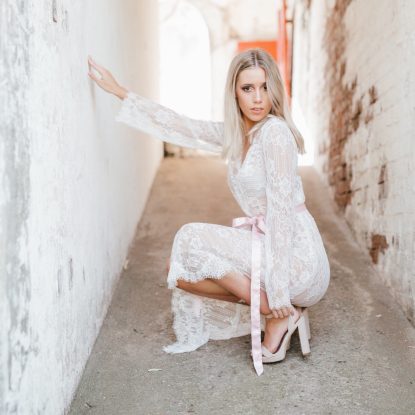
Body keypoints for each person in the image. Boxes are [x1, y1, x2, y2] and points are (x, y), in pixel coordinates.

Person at [87, 48, 330, 376]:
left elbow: (282, 216)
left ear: (275, 89)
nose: (258, 98)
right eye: (247, 88)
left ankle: (279, 313)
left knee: (191, 238)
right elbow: (184, 127)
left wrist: (279, 289)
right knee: (180, 272)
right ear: (234, 92)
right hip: (267, 243)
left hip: (298, 258)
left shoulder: (275, 133)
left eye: (265, 87)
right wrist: (121, 92)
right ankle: (276, 311)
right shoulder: (238, 133)